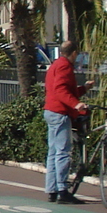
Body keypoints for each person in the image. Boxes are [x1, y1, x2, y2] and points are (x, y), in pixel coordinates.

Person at [44, 38, 89, 203]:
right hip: (59, 112)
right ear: (74, 53)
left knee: (53, 152)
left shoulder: (55, 65)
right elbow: (61, 90)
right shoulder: (64, 66)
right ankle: (62, 189)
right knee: (62, 152)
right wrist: (76, 104)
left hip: (51, 110)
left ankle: (52, 189)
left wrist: (83, 89)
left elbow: (61, 89)